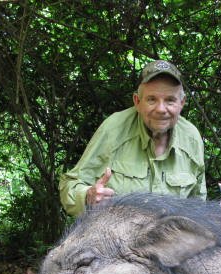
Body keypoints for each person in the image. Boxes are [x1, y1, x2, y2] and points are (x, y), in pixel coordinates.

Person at [59, 60, 206, 216]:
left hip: (172, 238)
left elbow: (198, 205)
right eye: (152, 99)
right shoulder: (114, 130)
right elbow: (70, 185)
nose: (161, 109)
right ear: (137, 101)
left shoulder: (192, 138)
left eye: (170, 100)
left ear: (181, 103)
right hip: (118, 237)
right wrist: (88, 196)